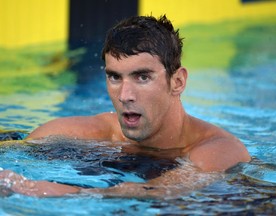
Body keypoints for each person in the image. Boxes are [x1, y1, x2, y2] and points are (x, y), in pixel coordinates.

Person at [0, 15, 250, 198]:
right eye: (115, 77)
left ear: (178, 81)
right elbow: (14, 151)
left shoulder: (220, 149)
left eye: (142, 77)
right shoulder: (82, 133)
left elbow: (159, 192)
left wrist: (53, 191)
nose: (125, 95)